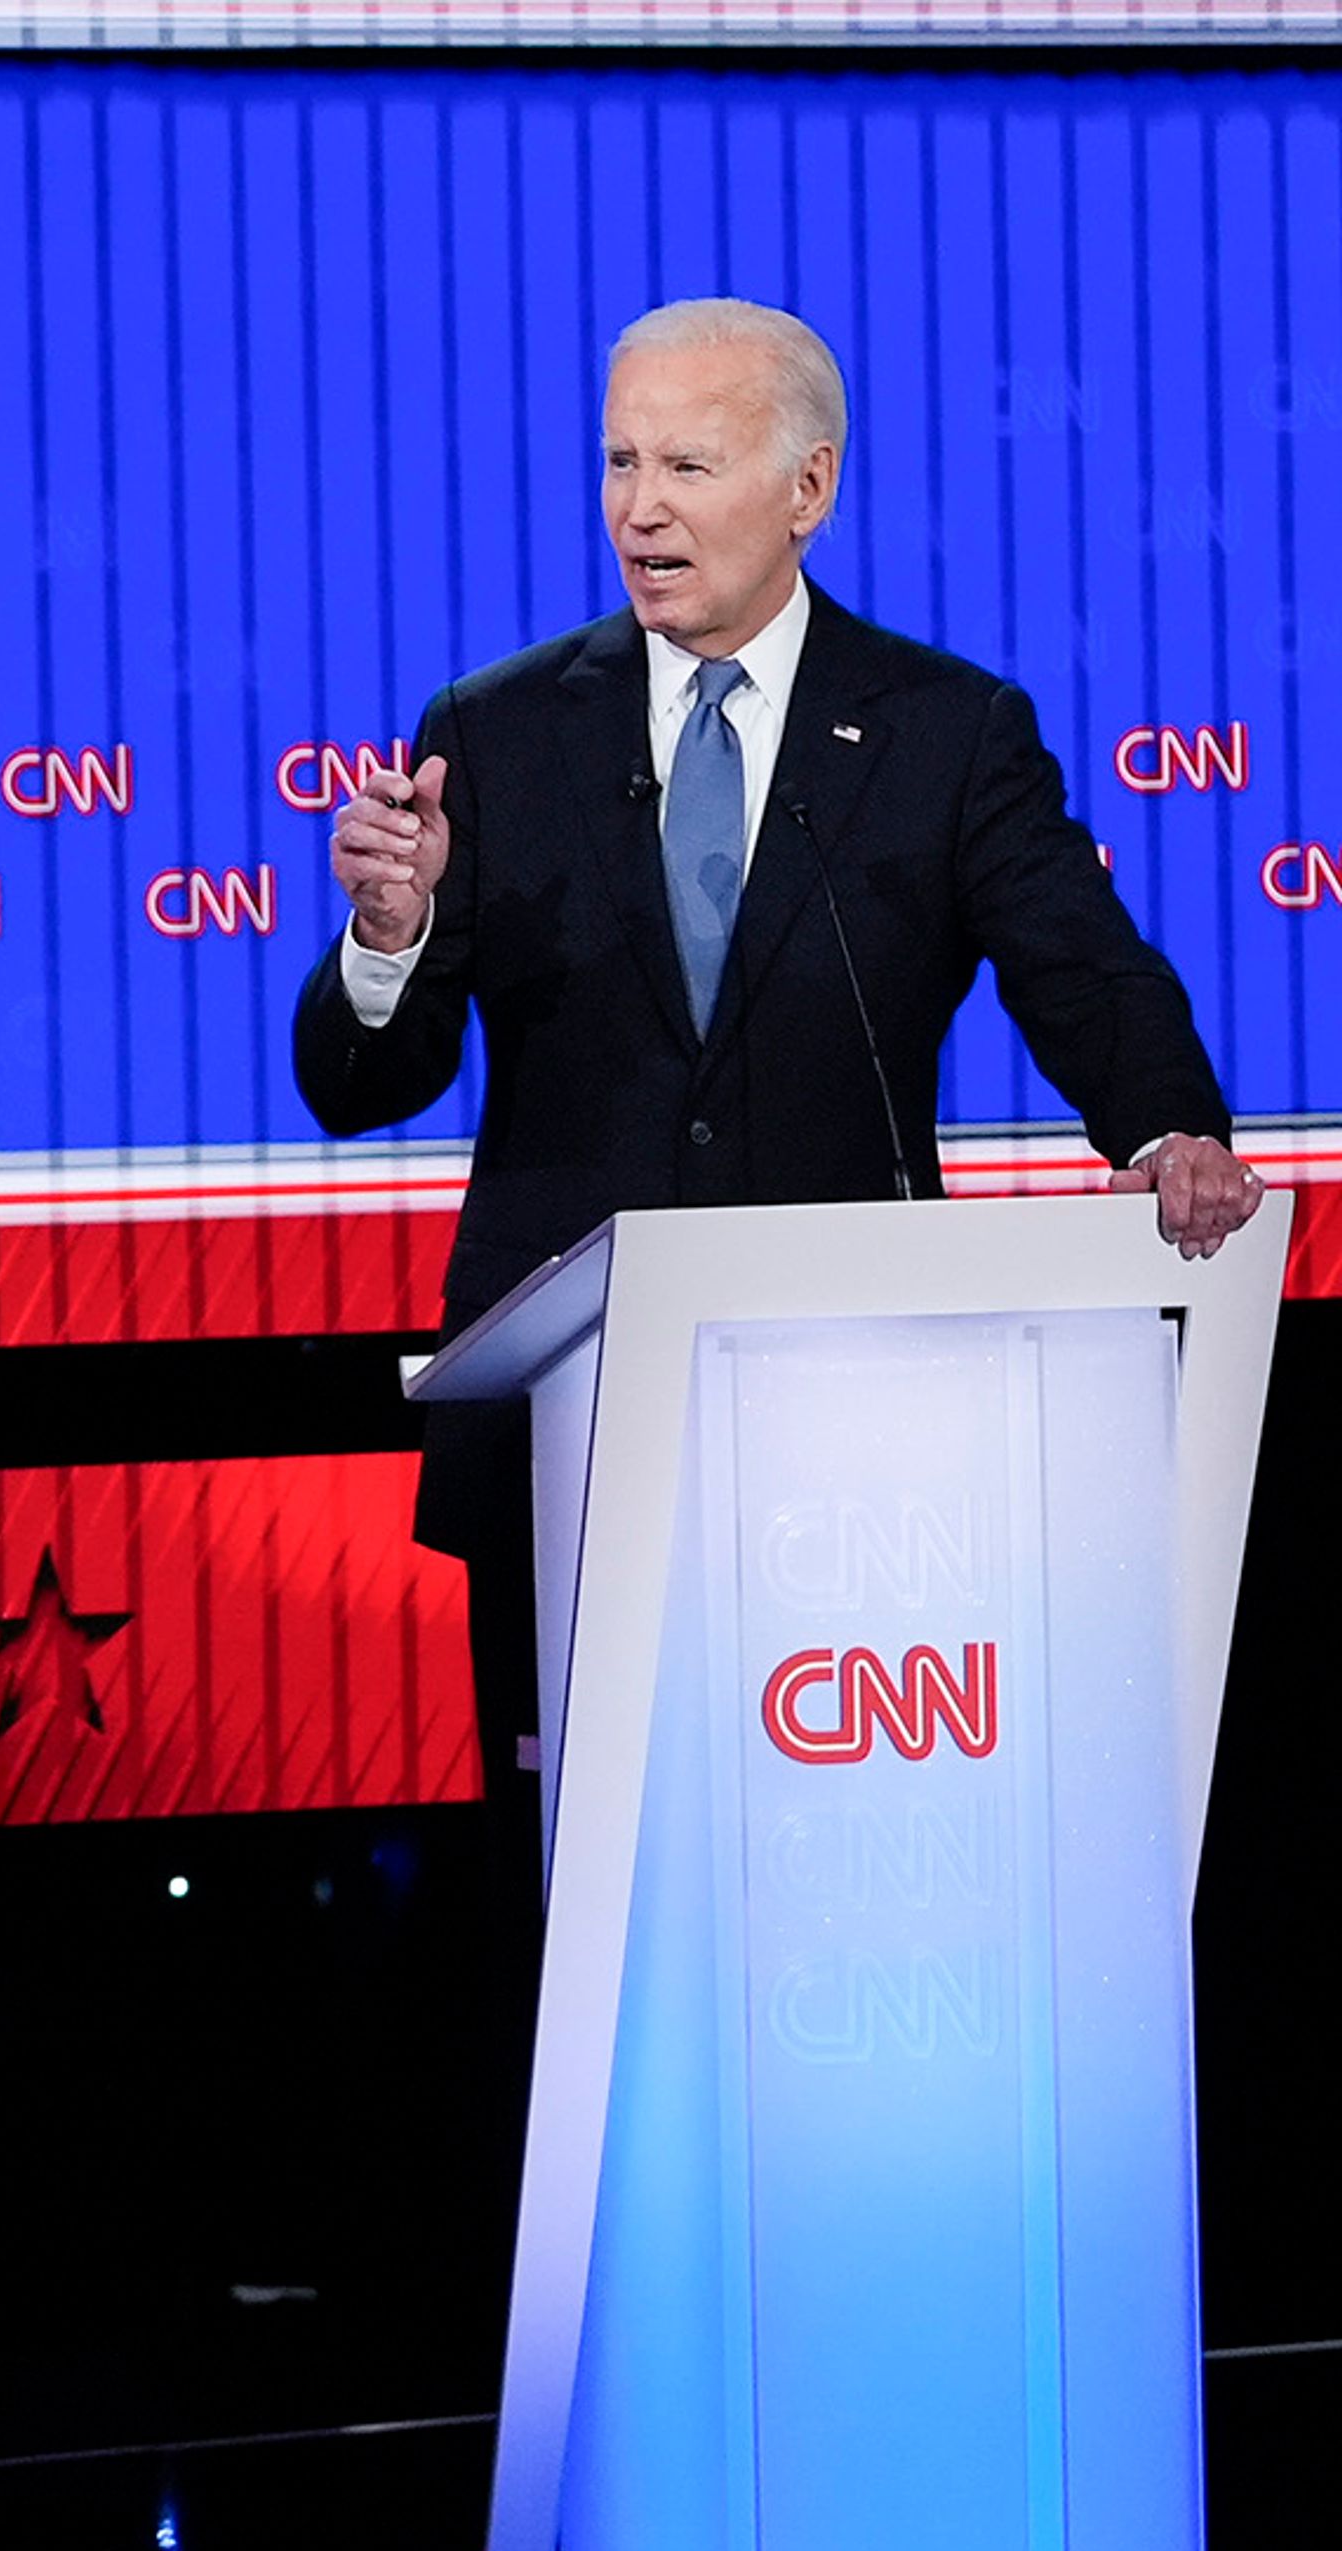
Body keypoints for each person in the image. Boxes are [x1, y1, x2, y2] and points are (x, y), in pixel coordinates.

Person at [292, 296, 1262, 1822]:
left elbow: (1080, 968)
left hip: (853, 1430)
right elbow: (363, 1086)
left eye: (687, 462)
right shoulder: (492, 732)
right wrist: (392, 936)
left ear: (808, 488)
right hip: (572, 1431)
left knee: (840, 1840)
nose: (640, 507)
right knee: (570, 1885)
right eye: (619, 462)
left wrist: (1166, 1134)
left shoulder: (946, 732)